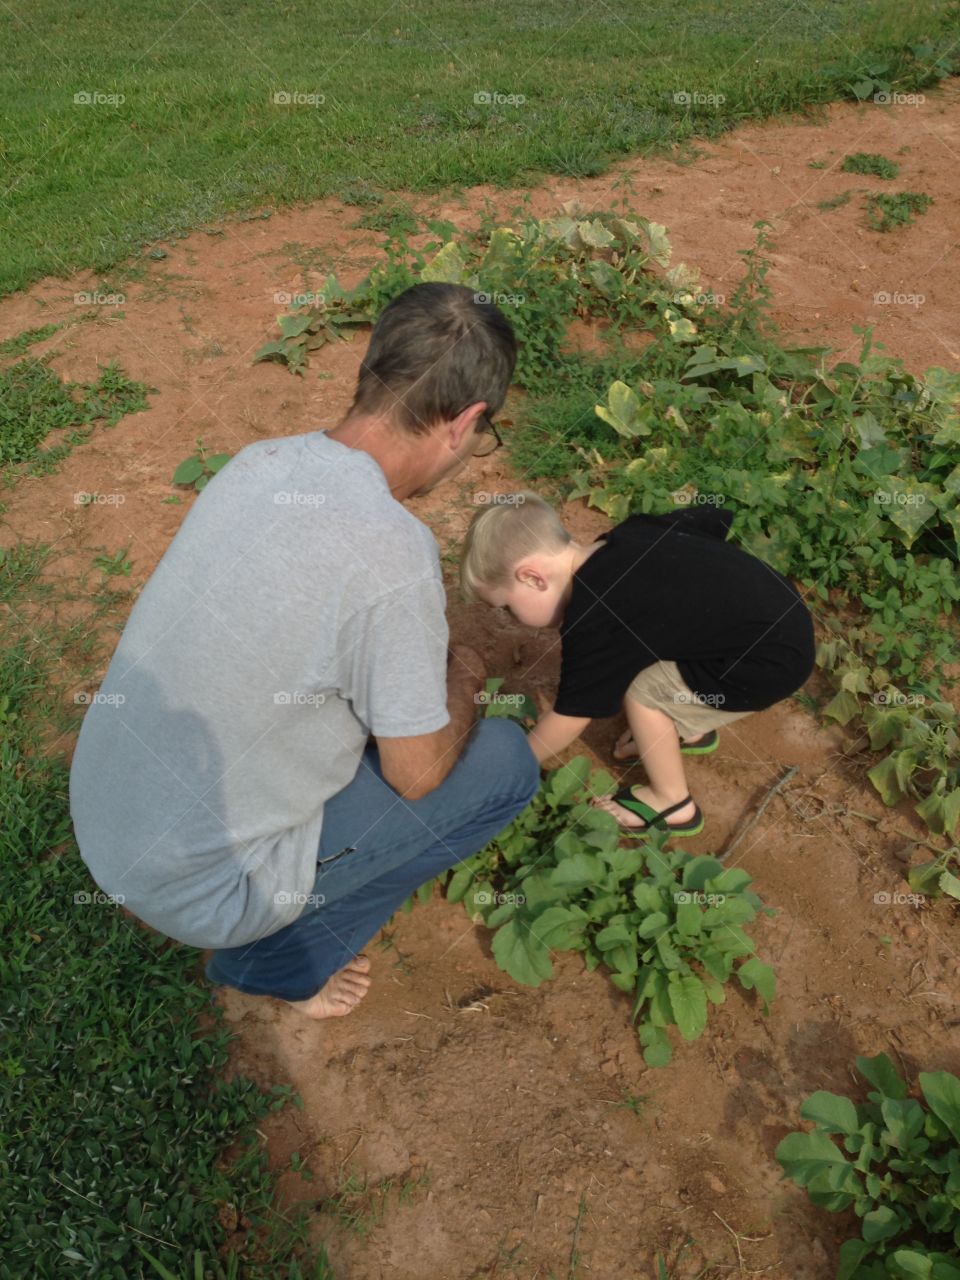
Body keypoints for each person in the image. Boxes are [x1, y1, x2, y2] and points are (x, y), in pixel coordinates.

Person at [68, 283, 541, 1020]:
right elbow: (418, 776)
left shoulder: (258, 464)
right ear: (466, 422)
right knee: (504, 764)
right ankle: (277, 958)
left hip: (107, 819)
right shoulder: (394, 549)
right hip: (201, 886)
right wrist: (468, 674)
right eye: (485, 437)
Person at [460, 491, 815, 836]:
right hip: (785, 617)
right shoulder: (630, 533)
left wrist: (513, 768)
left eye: (507, 606)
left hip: (768, 663)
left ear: (533, 578)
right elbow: (709, 518)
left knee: (642, 690)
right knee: (661, 628)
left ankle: (671, 802)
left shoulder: (593, 616)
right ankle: (684, 726)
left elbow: (571, 716)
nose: (511, 618)